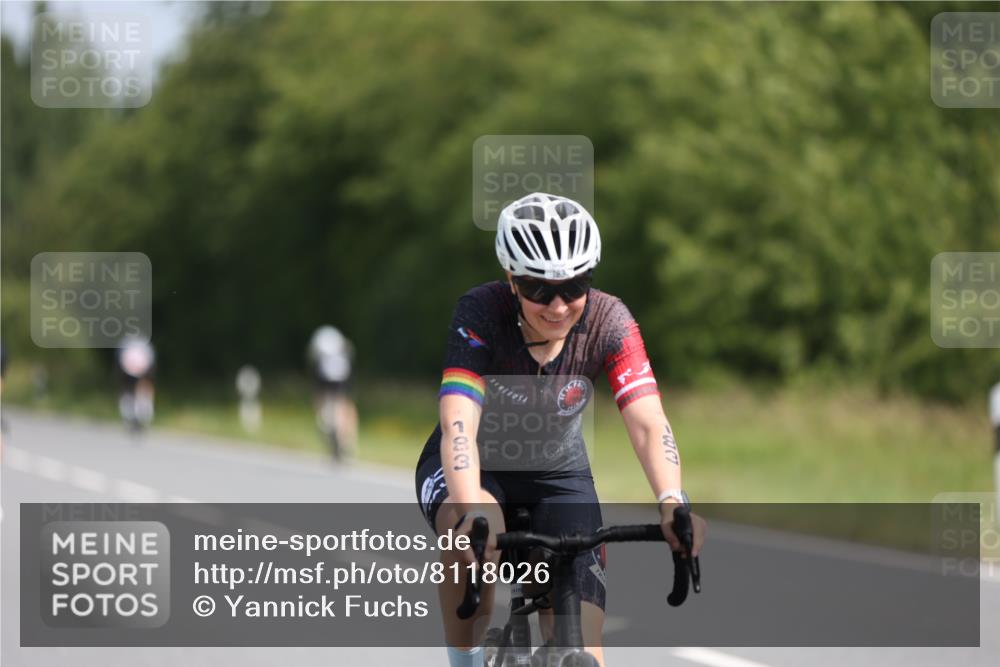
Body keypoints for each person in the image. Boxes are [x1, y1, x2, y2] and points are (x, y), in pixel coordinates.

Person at [414, 192, 706, 667]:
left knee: (584, 646)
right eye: (538, 288)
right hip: (477, 468)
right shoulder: (481, 311)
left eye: (573, 287)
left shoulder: (610, 321)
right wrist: (469, 509)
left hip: (557, 473)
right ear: (512, 279)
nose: (557, 305)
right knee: (474, 545)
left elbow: (649, 423)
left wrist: (673, 501)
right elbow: (459, 421)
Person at [308, 325, 358, 460]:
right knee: (342, 407)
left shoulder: (328, 358)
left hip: (335, 385)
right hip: (337, 384)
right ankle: (344, 442)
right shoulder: (341, 355)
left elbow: (319, 392)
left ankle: (344, 441)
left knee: (339, 408)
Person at [116, 336, 156, 434]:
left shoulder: (134, 344)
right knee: (129, 394)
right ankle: (134, 418)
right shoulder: (132, 344)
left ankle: (140, 418)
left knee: (141, 393)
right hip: (132, 371)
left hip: (138, 370)